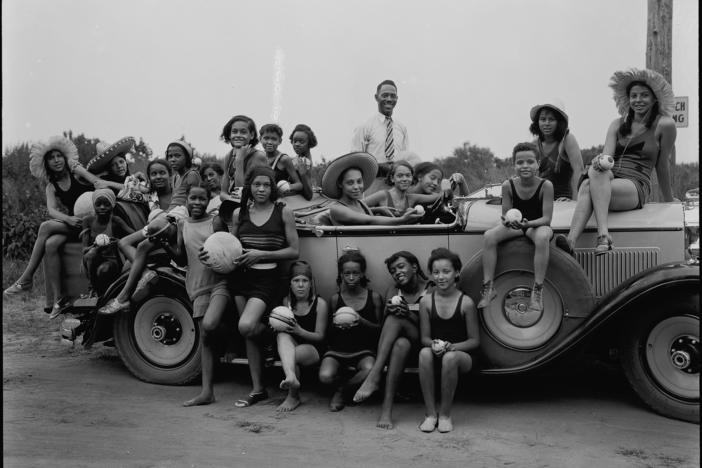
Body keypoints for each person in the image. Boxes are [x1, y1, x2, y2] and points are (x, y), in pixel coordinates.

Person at [555, 68, 676, 256]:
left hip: (635, 183)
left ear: (654, 99)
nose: (638, 100)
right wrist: (598, 161)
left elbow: (662, 165)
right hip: (610, 177)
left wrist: (669, 199)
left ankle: (601, 236)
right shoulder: (616, 124)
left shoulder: (665, 125)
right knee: (592, 176)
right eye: (634, 96)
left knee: (588, 185)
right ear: (628, 100)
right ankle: (574, 241)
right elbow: (607, 159)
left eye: (644, 95)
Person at [4, 136, 112, 315]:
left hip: (95, 220)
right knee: (50, 243)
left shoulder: (76, 173)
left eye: (58, 156)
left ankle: (26, 278)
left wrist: (83, 171)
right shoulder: (51, 187)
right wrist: (68, 219)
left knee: (45, 227)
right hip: (75, 223)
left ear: (65, 157)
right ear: (46, 163)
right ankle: (58, 299)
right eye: (51, 158)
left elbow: (96, 182)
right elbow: (52, 210)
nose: (56, 160)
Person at [155, 183, 231, 407]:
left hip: (219, 283)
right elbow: (181, 258)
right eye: (193, 198)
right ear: (186, 200)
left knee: (209, 326)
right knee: (205, 340)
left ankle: (230, 338)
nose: (197, 203)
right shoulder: (182, 224)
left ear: (209, 200)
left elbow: (228, 251)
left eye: (202, 199)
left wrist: (215, 258)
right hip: (196, 286)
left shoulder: (215, 222)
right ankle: (207, 392)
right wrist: (164, 245)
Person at [230, 166, 300, 408]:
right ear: (249, 186)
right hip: (241, 279)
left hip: (267, 279)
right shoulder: (241, 213)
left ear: (273, 188)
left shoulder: (283, 211)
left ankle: (272, 336)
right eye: (257, 184)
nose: (261, 189)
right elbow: (232, 247)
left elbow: (294, 250)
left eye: (266, 185)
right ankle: (258, 389)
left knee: (247, 325)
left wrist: (261, 254)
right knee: (248, 334)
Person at [353, 251, 432, 429]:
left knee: (397, 319)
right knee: (400, 344)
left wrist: (408, 315)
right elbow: (385, 328)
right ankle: (386, 411)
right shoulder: (393, 290)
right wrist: (396, 312)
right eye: (392, 270)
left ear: (414, 267)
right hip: (402, 348)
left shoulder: (431, 288)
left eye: (401, 267)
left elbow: (433, 326)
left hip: (425, 345)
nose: (397, 272)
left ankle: (374, 375)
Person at [478, 142, 554, 313]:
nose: (525, 166)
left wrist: (528, 224)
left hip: (537, 225)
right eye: (520, 163)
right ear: (514, 165)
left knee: (542, 237)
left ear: (538, 164)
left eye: (530, 161)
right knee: (489, 236)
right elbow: (505, 215)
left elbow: (547, 219)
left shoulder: (546, 186)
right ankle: (489, 287)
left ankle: (537, 290)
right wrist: (507, 222)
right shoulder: (508, 185)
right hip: (517, 226)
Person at [417, 248, 479, 433]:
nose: (441, 277)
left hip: (463, 356)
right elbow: (424, 339)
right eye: (436, 272)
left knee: (450, 358)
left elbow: (474, 341)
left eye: (446, 271)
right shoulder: (426, 302)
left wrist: (452, 347)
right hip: (438, 352)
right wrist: (433, 345)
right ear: (431, 274)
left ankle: (444, 415)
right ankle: (430, 414)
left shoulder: (466, 302)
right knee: (424, 353)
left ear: (457, 273)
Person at [319, 250, 382, 411]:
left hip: (363, 351)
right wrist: (337, 325)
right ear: (341, 274)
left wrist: (360, 321)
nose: (351, 277)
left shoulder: (373, 297)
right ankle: (344, 386)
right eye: (347, 273)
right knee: (325, 376)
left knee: (369, 370)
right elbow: (328, 334)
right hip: (338, 350)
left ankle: (342, 391)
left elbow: (380, 330)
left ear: (362, 274)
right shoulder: (335, 299)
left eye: (356, 273)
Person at [273, 260, 329, 412]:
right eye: (296, 280)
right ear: (290, 284)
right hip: (292, 344)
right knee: (281, 336)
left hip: (314, 348)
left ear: (311, 283)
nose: (300, 285)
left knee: (292, 355)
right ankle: (291, 378)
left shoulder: (320, 303)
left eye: (305, 281)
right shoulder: (287, 302)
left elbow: (320, 337)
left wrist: (299, 331)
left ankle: (293, 395)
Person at [322, 152, 423, 226]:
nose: (356, 187)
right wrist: (402, 220)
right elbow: (369, 220)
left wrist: (378, 209)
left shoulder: (360, 204)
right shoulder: (337, 209)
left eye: (359, 181)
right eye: (350, 183)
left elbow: (359, 212)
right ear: (340, 184)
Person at [79, 189, 134, 302]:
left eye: (106, 204)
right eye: (98, 204)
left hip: (112, 260)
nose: (102, 207)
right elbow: (84, 250)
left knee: (103, 270)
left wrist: (118, 241)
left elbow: (135, 235)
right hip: (91, 261)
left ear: (112, 205)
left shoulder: (116, 221)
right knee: (91, 254)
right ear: (94, 206)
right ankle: (92, 290)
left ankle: (104, 297)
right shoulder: (87, 221)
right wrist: (95, 246)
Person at [87, 137, 150, 229]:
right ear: (109, 168)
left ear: (126, 162)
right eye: (113, 164)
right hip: (118, 224)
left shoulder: (135, 179)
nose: (119, 166)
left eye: (121, 162)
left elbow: (142, 193)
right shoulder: (104, 182)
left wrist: (109, 183)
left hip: (143, 220)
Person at [529, 100, 584, 200]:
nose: (546, 123)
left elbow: (578, 170)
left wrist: (575, 201)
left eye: (551, 119)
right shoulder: (534, 144)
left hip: (565, 200)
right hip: (543, 200)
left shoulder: (568, 140)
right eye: (543, 119)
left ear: (559, 122)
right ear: (537, 122)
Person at [351, 79, 409, 170]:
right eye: (385, 95)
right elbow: (355, 159)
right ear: (376, 97)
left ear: (397, 99)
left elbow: (406, 159)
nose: (389, 99)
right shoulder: (365, 127)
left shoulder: (402, 128)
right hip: (374, 180)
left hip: (396, 181)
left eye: (393, 96)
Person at [363, 160, 440, 215]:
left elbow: (439, 197)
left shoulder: (412, 198)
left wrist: (447, 186)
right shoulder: (383, 195)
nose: (404, 179)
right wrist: (377, 210)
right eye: (400, 176)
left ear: (412, 177)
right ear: (392, 178)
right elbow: (355, 206)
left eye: (408, 175)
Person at [219, 115, 268, 198]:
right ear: (230, 135)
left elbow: (241, 193)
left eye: (243, 132)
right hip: (233, 203)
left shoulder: (258, 156)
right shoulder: (229, 156)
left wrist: (239, 160)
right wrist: (230, 199)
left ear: (252, 135)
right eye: (234, 132)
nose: (238, 135)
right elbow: (223, 194)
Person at [259, 123, 304, 197]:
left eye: (274, 139)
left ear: (280, 141)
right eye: (266, 138)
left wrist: (287, 187)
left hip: (280, 200)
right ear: (260, 139)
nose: (269, 142)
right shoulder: (258, 158)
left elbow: (299, 185)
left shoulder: (284, 159)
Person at [166, 139, 201, 213]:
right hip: (171, 213)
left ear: (187, 158)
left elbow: (193, 202)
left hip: (181, 215)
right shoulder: (175, 177)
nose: (173, 159)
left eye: (177, 156)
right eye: (170, 156)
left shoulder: (191, 174)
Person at [289, 124, 317, 200]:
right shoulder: (298, 158)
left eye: (301, 142)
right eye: (295, 141)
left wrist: (303, 174)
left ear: (309, 143)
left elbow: (309, 195)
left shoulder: (305, 162)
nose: (297, 144)